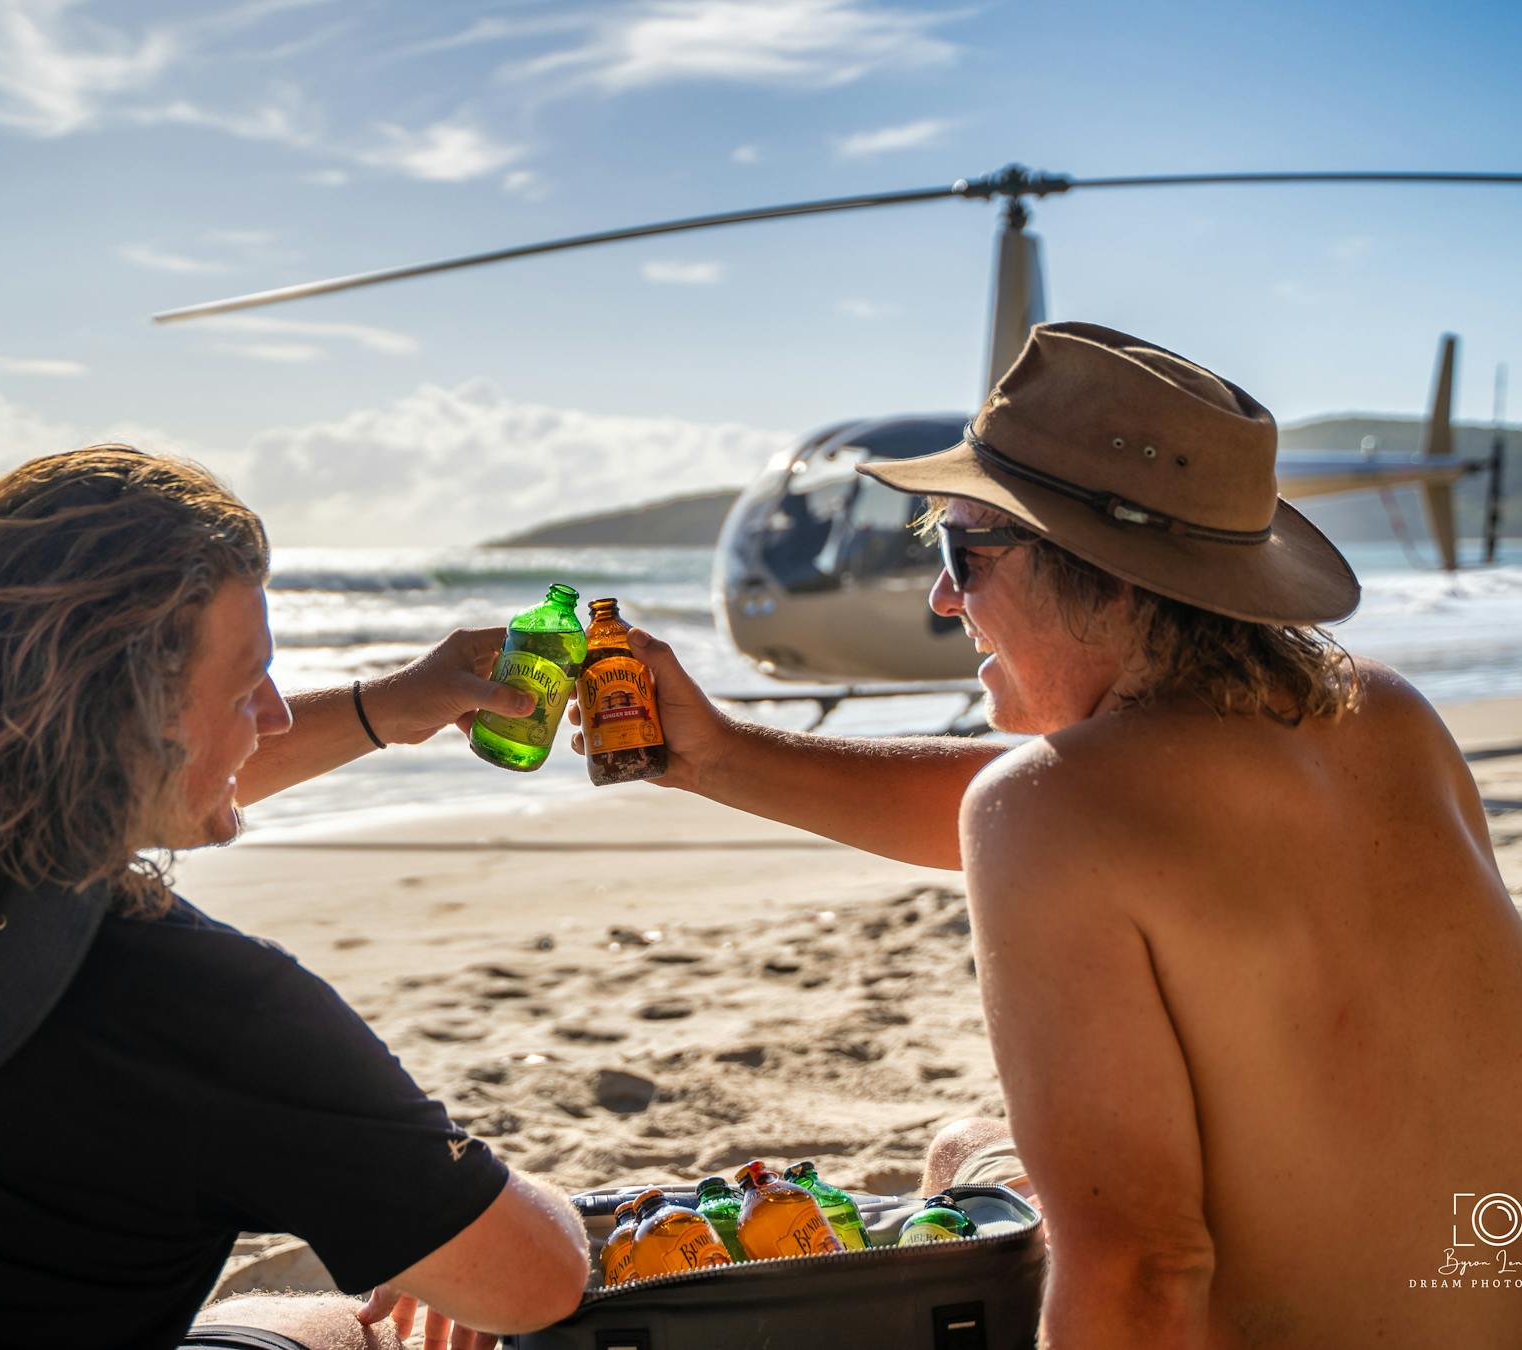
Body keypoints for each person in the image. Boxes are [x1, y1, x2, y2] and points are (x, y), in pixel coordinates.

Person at [573, 323, 1522, 1347]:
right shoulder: (1380, 717)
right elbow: (1091, 817)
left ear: (1104, 576)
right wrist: (711, 754)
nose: (945, 597)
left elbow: (1148, 1273)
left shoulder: (1054, 816)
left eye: (962, 553)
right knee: (964, 1151)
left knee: (988, 1188)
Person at [0, 446, 589, 1350]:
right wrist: (554, 1201)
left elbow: (90, 792)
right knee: (336, 1324)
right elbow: (534, 1284)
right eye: (247, 680)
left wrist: (382, 709)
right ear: (125, 720)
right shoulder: (203, 1008)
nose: (277, 714)